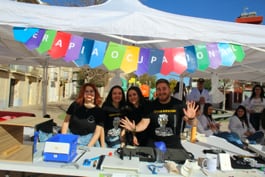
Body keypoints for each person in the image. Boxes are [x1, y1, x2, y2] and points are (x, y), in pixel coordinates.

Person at [119, 78, 198, 149]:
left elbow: (194, 123)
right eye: (158, 89)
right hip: (153, 146)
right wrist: (134, 129)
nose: (161, 92)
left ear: (169, 90)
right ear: (156, 91)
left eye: (164, 89)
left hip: (173, 146)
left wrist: (192, 118)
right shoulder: (151, 105)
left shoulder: (179, 105)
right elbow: (144, 123)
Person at [61, 83, 105, 147]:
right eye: (86, 91)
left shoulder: (99, 111)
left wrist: (89, 146)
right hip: (71, 137)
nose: (89, 93)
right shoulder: (75, 105)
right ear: (83, 94)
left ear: (95, 94)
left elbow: (97, 132)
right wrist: (63, 138)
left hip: (88, 140)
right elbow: (66, 122)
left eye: (91, 91)